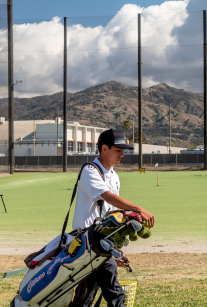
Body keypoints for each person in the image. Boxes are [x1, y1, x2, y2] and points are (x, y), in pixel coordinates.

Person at [72, 128, 155, 307]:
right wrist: (138, 209)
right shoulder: (90, 170)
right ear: (104, 149)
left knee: (100, 294)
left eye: (123, 151)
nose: (122, 155)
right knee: (93, 294)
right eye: (118, 151)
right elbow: (107, 196)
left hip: (101, 243)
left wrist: (117, 250)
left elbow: (112, 216)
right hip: (85, 242)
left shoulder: (114, 176)